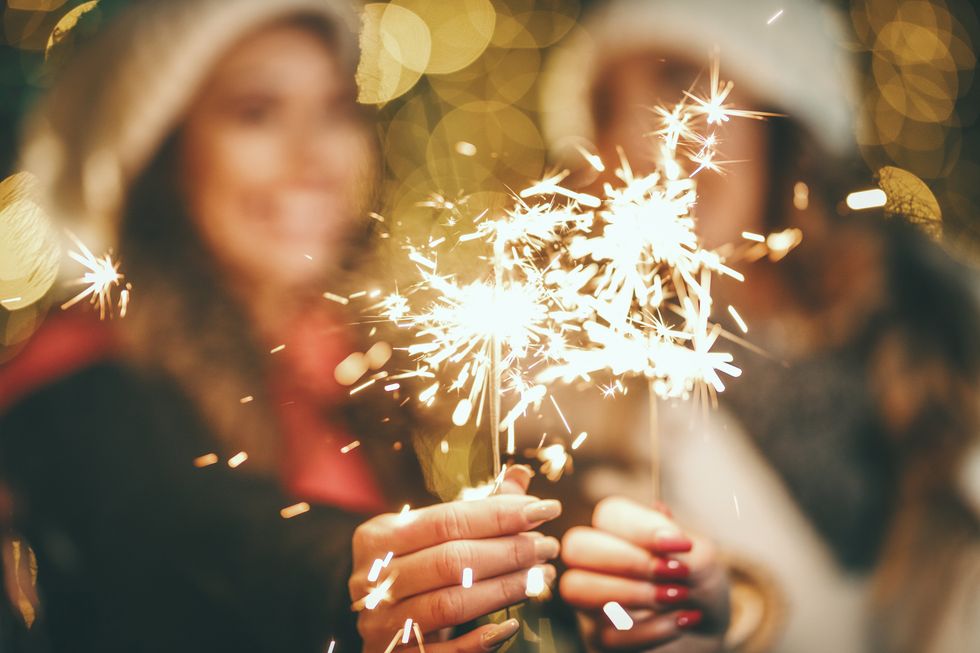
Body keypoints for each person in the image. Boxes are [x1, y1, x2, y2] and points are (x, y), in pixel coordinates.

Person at [0, 1, 564, 651]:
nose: (315, 157)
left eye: (333, 110)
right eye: (256, 113)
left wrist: (594, 583)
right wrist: (349, 585)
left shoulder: (347, 369)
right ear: (161, 152)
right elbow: (211, 540)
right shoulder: (84, 387)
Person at [540, 0, 980, 652]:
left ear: (783, 118)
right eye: (610, 108)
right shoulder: (586, 402)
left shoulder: (949, 329)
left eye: (679, 83)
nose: (636, 140)